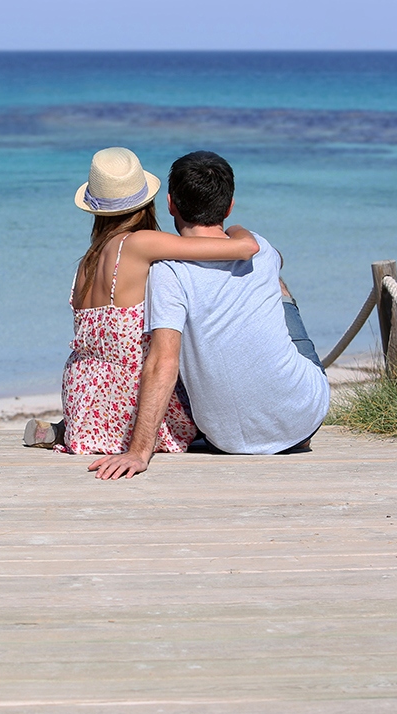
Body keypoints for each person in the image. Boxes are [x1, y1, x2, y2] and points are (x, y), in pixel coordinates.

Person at [89, 150, 330, 480]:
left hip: (226, 438)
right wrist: (241, 230)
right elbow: (277, 259)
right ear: (229, 207)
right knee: (278, 286)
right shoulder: (260, 245)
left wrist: (138, 451)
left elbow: (163, 362)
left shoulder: (167, 271)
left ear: (171, 204)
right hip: (305, 417)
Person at [28, 147, 261, 456]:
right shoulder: (139, 244)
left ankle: (62, 429)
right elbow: (243, 249)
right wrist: (237, 230)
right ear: (150, 201)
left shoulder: (87, 262)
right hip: (130, 408)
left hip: (83, 404)